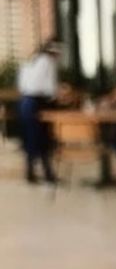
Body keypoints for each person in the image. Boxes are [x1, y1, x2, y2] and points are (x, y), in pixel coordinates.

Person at [17, 39, 62, 183]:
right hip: (38, 103)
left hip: (25, 102)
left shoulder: (31, 61)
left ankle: (31, 173)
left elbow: (23, 85)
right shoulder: (49, 62)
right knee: (43, 140)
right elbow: (51, 89)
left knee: (31, 139)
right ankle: (48, 174)